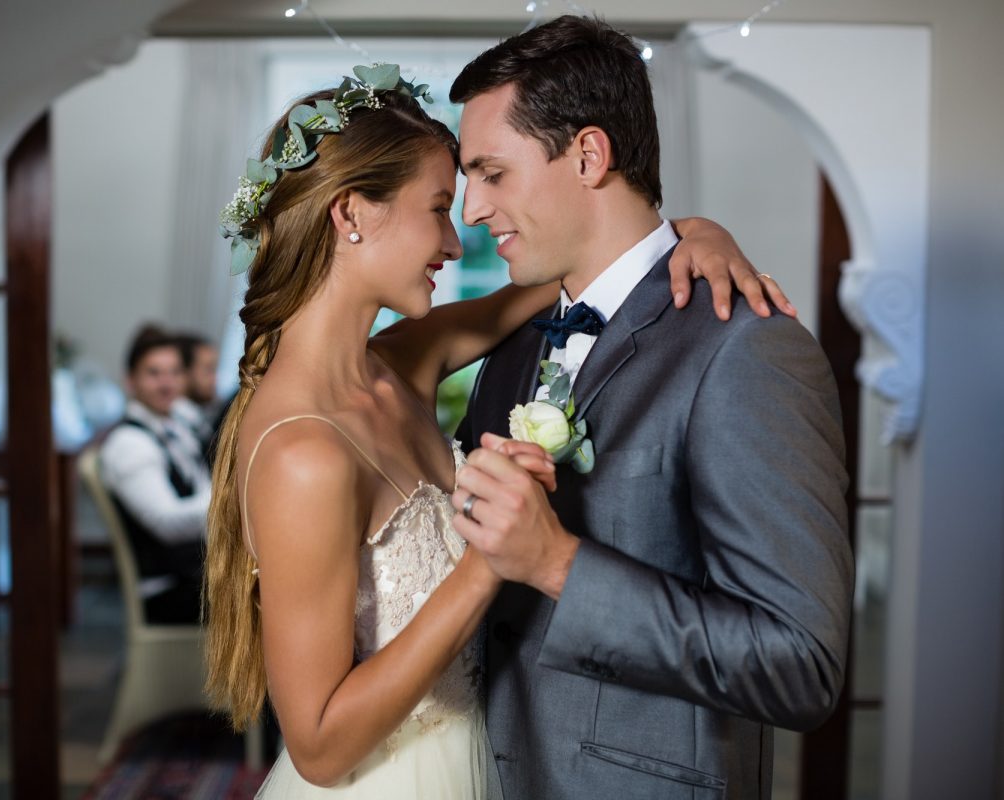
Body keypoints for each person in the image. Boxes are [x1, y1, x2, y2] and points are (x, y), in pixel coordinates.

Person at [202, 64, 790, 798]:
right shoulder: (302, 454)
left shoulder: (403, 362)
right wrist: (491, 559)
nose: (455, 241)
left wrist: (697, 235)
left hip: (496, 757)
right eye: (439, 206)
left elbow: (585, 262)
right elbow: (319, 747)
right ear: (351, 213)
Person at [447, 16, 854, 799]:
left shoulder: (747, 350)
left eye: (491, 174)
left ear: (589, 155)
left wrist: (558, 565)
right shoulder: (509, 348)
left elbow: (800, 665)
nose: (471, 210)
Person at [99, 324, 210, 625]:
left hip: (193, 573)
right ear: (130, 381)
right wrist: (233, 504)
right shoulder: (130, 444)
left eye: (175, 372)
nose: (167, 383)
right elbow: (167, 522)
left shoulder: (176, 423)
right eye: (154, 373)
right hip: (168, 590)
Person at [174, 331, 220, 460]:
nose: (215, 379)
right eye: (208, 369)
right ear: (183, 372)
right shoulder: (177, 428)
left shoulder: (198, 421)